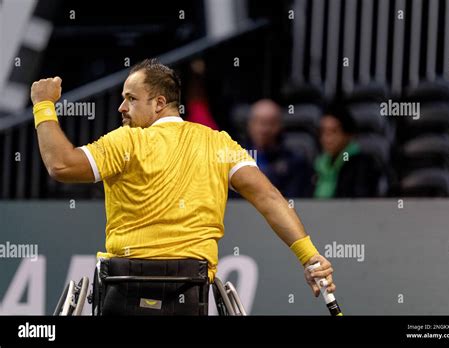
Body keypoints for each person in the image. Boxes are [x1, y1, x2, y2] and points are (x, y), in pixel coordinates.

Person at [30, 58, 335, 315]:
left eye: (131, 99)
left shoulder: (126, 141)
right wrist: (310, 257)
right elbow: (269, 197)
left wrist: (44, 105)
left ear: (160, 103)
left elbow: (60, 165)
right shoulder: (218, 144)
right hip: (190, 295)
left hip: (123, 290)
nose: (122, 108)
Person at [247, 99, 313, 197]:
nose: (264, 130)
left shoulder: (295, 163)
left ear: (280, 125)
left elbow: (294, 200)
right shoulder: (234, 161)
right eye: (259, 122)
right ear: (250, 125)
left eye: (270, 123)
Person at [314, 104, 380, 198]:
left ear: (348, 134)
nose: (326, 139)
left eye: (333, 132)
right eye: (323, 132)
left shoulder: (363, 165)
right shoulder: (317, 165)